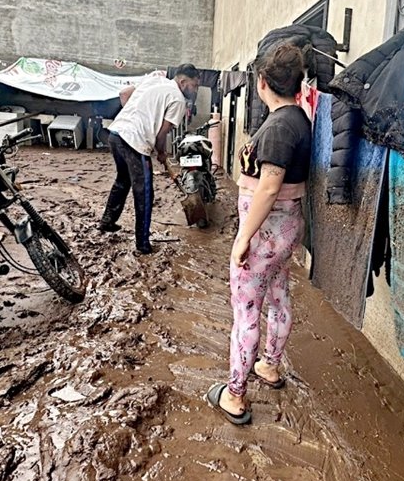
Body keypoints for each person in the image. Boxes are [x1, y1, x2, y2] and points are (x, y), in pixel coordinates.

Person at [206, 44, 312, 425]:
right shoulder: (298, 119)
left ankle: (234, 395)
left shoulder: (281, 125)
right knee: (279, 297)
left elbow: (269, 186)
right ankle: (269, 366)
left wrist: (241, 239)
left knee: (246, 312)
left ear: (262, 82)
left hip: (266, 233)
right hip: (284, 231)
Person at [99, 64, 200, 255]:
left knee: (123, 180)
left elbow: (125, 93)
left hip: (116, 133)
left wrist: (135, 118)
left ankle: (107, 221)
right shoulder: (178, 99)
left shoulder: (155, 79)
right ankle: (143, 244)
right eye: (194, 86)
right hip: (135, 142)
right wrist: (161, 152)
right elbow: (163, 132)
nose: (194, 90)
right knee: (144, 193)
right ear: (183, 81)